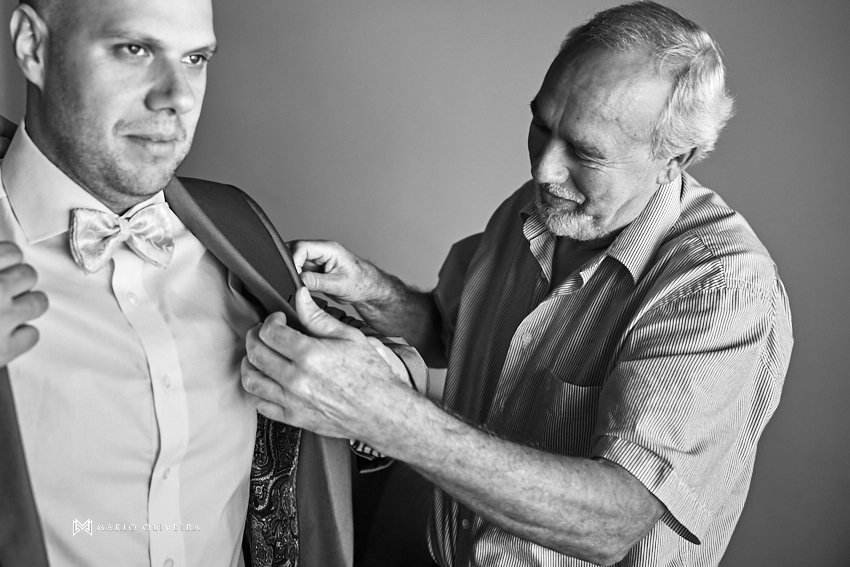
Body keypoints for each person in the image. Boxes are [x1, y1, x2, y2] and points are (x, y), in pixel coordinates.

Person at [242, 2, 794, 566]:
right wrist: (370, 288)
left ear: (676, 156)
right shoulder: (542, 209)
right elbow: (449, 330)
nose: (544, 170)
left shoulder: (722, 286)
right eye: (541, 125)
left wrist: (381, 414)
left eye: (584, 152)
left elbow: (613, 523)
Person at [0, 0, 423, 565]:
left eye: (196, 58)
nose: (176, 96)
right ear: (33, 45)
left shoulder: (236, 232)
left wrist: (392, 387)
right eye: (135, 50)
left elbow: (350, 402)